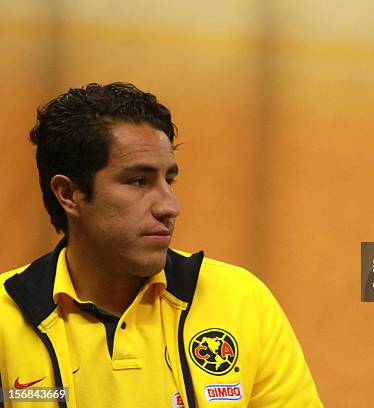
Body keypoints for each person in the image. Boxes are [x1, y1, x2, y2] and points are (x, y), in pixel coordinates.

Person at [0, 83, 322, 408]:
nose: (170, 206)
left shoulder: (242, 301)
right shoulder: (5, 316)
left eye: (169, 180)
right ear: (68, 194)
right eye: (139, 181)